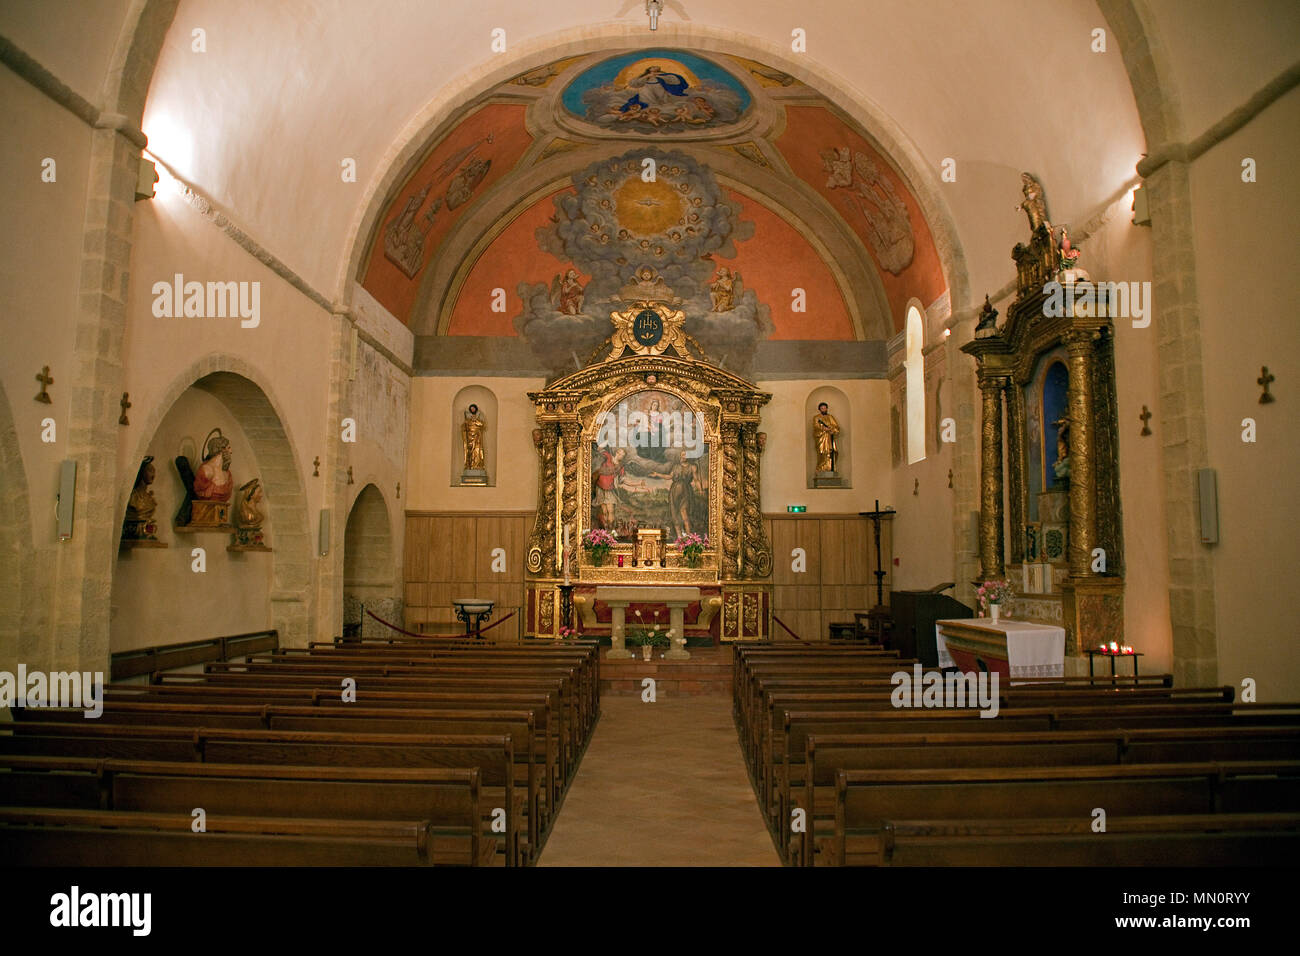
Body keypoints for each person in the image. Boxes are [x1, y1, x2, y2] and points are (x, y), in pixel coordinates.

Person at [194, 432, 233, 501]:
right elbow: (200, 492)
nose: (231, 451)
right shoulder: (206, 470)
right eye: (229, 448)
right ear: (222, 449)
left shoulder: (227, 474)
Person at [592, 447, 625, 529]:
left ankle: (611, 530)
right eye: (620, 453)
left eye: (622, 455)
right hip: (600, 487)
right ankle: (605, 530)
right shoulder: (608, 457)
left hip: (609, 489)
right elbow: (599, 449)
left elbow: (621, 480)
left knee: (611, 510)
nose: (620, 456)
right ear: (616, 452)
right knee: (604, 511)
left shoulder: (620, 467)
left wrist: (637, 484)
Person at [812, 402, 840, 473]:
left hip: (829, 438)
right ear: (819, 409)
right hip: (822, 438)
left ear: (827, 408)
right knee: (822, 453)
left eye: (824, 408)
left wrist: (831, 429)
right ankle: (821, 468)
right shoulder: (817, 417)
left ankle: (830, 468)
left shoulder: (830, 417)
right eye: (822, 408)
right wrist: (823, 428)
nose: (823, 409)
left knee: (830, 453)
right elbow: (816, 426)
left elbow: (836, 427)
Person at [462, 404, 486, 471]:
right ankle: (470, 466)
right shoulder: (468, 420)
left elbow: (482, 425)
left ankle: (477, 466)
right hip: (470, 439)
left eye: (473, 408)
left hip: (477, 438)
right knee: (470, 452)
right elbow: (464, 428)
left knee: (477, 451)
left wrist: (475, 421)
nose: (472, 410)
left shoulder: (478, 418)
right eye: (471, 409)